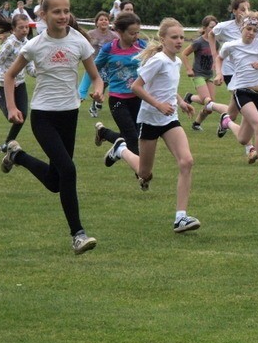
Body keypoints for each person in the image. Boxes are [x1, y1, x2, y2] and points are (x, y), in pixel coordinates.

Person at [0, 0, 103, 254]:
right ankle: (78, 235)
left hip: (69, 115)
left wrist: (98, 88)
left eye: (66, 10)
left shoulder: (79, 41)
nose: (63, 15)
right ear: (43, 15)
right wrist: (12, 107)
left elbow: (95, 76)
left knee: (56, 182)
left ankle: (17, 155)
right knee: (68, 170)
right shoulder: (35, 45)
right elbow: (10, 76)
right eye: (56, 11)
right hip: (43, 116)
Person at [130, 18, 200, 233]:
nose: (179, 41)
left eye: (181, 37)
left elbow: (168, 87)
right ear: (163, 39)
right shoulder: (158, 60)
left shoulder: (176, 62)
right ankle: (120, 149)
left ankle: (181, 218)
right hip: (150, 120)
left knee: (186, 161)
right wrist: (159, 105)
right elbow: (136, 87)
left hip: (169, 120)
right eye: (174, 37)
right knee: (144, 173)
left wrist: (181, 102)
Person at [214, 12, 258, 183]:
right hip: (242, 91)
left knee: (244, 138)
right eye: (248, 29)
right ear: (242, 28)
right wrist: (219, 74)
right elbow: (219, 57)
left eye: (254, 30)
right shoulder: (231, 45)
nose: (251, 33)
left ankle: (227, 121)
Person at [92, 12, 145, 175]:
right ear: (119, 32)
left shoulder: (143, 46)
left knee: (134, 134)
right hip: (117, 99)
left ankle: (104, 133)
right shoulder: (109, 48)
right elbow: (93, 69)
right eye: (132, 33)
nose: (136, 36)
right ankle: (141, 174)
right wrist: (93, 90)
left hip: (138, 98)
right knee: (132, 138)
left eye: (137, 32)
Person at [211, 0, 257, 162]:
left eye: (248, 8)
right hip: (232, 73)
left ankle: (225, 119)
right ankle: (250, 148)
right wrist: (215, 55)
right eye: (242, 9)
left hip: (249, 73)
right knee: (248, 110)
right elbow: (211, 35)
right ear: (234, 11)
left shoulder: (252, 27)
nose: (246, 12)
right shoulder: (224, 27)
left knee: (234, 113)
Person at [0, 14, 35, 150]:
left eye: (26, 27)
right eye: (21, 27)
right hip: (5, 84)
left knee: (23, 115)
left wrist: (42, 73)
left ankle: (8, 142)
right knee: (12, 117)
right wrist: (4, 78)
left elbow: (30, 68)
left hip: (20, 83)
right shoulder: (9, 43)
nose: (24, 30)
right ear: (13, 29)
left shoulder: (28, 44)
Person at [182, 15, 217, 131]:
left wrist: (217, 69)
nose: (213, 29)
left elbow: (216, 56)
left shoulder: (216, 42)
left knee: (209, 108)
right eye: (211, 27)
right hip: (198, 74)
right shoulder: (199, 42)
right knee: (208, 101)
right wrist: (188, 69)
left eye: (216, 27)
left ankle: (196, 123)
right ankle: (190, 97)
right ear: (205, 28)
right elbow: (184, 54)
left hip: (209, 74)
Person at [79, 11, 117, 117]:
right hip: (93, 63)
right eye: (101, 19)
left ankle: (95, 103)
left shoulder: (114, 36)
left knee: (105, 83)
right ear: (96, 23)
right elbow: (83, 45)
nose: (104, 21)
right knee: (95, 83)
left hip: (108, 65)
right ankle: (90, 103)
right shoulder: (90, 34)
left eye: (106, 19)